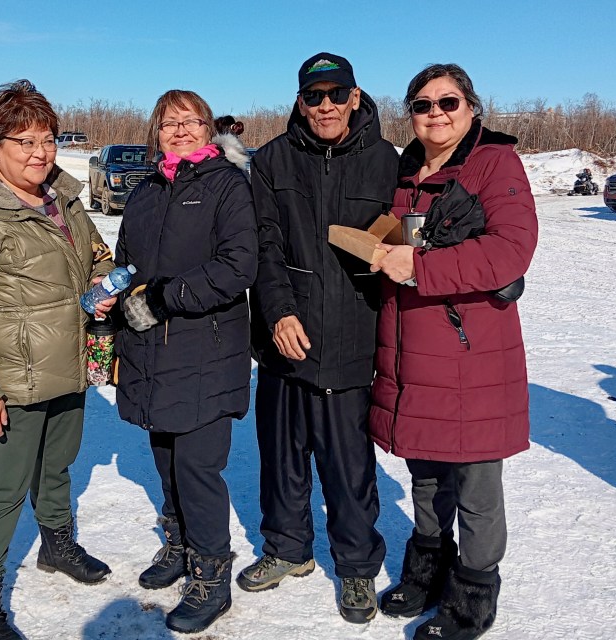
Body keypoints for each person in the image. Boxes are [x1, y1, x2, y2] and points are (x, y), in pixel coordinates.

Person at [0, 80, 117, 640]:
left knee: (58, 464)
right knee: (1, 488)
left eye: (49, 139)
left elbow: (95, 254)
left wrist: (102, 282)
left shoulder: (60, 196)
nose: (40, 153)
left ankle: (57, 545)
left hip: (68, 360)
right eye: (24, 141)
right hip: (12, 378)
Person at [368, 63, 538, 640]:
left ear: (471, 107)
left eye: (447, 102)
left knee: (474, 480)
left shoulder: (495, 163)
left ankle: (473, 594)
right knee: (423, 469)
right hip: (410, 346)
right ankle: (428, 570)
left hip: (469, 352)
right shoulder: (406, 168)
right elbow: (395, 239)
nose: (434, 113)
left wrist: (418, 266)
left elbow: (510, 252)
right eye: (422, 104)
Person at [241, 52, 399, 623]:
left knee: (348, 465)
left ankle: (356, 568)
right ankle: (287, 549)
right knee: (281, 456)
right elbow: (263, 244)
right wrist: (279, 313)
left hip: (352, 340)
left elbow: (405, 242)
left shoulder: (388, 162)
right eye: (314, 96)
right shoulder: (273, 161)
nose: (326, 106)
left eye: (337, 94)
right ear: (299, 101)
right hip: (285, 339)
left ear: (356, 97)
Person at [114, 89, 257, 634]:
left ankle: (211, 576)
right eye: (168, 123)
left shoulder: (227, 185)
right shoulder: (147, 190)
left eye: (190, 121)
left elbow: (238, 265)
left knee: (198, 466)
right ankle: (179, 543)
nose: (179, 131)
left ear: (207, 128)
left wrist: (164, 297)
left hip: (207, 347)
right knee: (165, 455)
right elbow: (128, 260)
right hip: (151, 347)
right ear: (156, 132)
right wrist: (113, 292)